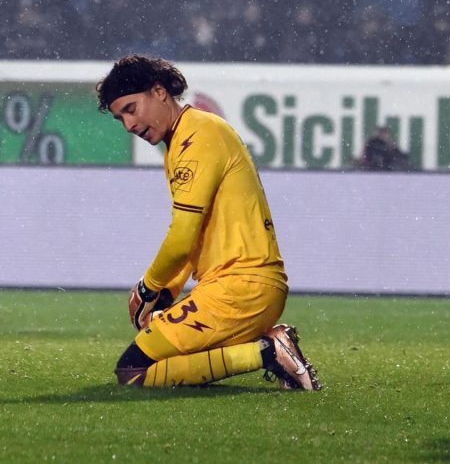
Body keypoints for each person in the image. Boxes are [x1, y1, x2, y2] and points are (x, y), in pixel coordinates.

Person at [95, 54, 321, 390]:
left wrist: (149, 287)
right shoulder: (185, 140)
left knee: (133, 373)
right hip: (242, 288)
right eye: (120, 118)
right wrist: (168, 292)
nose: (128, 124)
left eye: (131, 109)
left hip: (240, 290)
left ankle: (269, 353)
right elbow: (194, 237)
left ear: (159, 92)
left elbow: (183, 235)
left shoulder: (198, 136)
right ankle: (271, 350)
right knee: (172, 364)